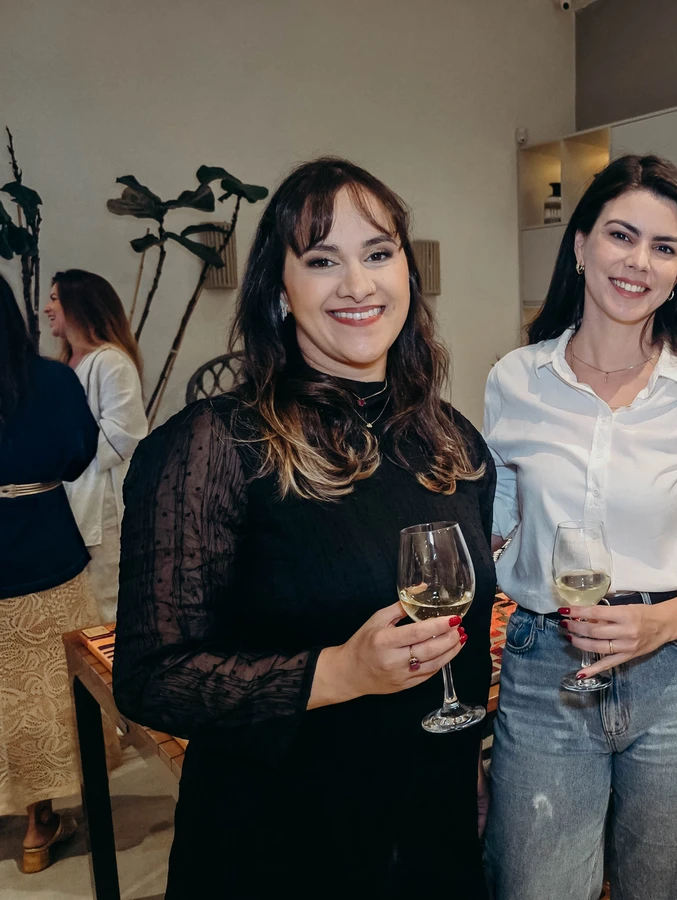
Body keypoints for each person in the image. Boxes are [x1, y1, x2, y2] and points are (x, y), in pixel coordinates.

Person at [113, 157, 495, 898]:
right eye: (322, 260)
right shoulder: (215, 443)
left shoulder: (449, 440)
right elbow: (151, 677)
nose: (358, 284)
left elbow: (465, 639)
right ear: (279, 290)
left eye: (378, 254)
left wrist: (470, 769)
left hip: (431, 834)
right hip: (279, 843)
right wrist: (340, 673)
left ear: (407, 275)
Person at [483, 154, 677, 900]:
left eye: (664, 247)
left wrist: (662, 624)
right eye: (622, 235)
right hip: (546, 668)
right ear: (581, 244)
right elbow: (496, 528)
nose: (639, 262)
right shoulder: (516, 379)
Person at [0, 273, 104, 873]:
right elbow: (77, 454)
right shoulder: (50, 380)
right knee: (46, 691)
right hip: (42, 551)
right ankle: (38, 826)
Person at [46, 268, 148, 622]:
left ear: (78, 305)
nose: (47, 308)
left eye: (55, 299)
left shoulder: (111, 361)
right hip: (69, 492)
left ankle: (108, 658)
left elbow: (126, 432)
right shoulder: (66, 364)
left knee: (106, 596)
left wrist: (65, 451)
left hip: (101, 496)